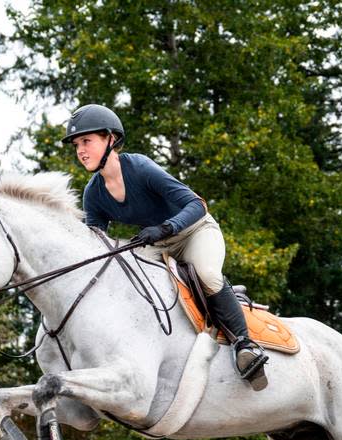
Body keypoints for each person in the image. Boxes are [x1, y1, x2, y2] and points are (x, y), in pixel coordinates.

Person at [62, 104, 268, 386]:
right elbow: (95, 245)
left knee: (207, 275)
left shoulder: (141, 168)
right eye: (76, 145)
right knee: (130, 278)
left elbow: (197, 204)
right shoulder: (93, 193)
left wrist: (166, 227)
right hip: (159, 243)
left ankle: (245, 345)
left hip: (195, 231)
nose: (80, 150)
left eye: (86, 141)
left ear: (111, 139)